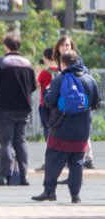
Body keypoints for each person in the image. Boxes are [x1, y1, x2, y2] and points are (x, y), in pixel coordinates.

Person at [33, 50, 100, 203]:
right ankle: (75, 195)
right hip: (81, 129)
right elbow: (96, 102)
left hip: (60, 127)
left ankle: (49, 191)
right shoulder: (89, 79)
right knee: (76, 162)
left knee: (52, 160)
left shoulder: (59, 80)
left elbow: (48, 100)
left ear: (63, 64)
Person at [0, 32, 37, 186]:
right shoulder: (28, 64)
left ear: (6, 46)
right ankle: (23, 176)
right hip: (23, 109)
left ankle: (3, 176)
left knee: (6, 142)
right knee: (20, 142)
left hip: (4, 109)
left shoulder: (1, 63)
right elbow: (33, 86)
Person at [53, 35, 93, 169]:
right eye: (63, 45)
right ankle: (74, 168)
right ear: (58, 47)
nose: (65, 47)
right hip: (64, 109)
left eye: (68, 45)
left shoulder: (80, 67)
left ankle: (86, 157)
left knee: (78, 137)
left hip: (78, 107)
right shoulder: (58, 67)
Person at [36, 47, 59, 138]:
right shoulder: (60, 71)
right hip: (57, 104)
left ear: (45, 58)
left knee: (47, 128)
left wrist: (37, 73)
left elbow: (36, 86)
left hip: (45, 104)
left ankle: (49, 147)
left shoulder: (44, 72)